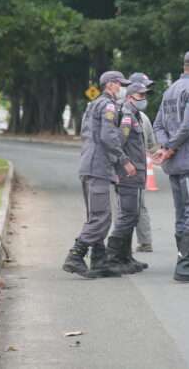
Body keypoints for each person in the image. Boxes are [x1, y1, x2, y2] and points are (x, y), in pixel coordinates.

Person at [62, 70, 133, 279]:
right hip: (98, 167)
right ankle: (76, 255)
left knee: (99, 215)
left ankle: (99, 260)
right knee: (101, 217)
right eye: (119, 84)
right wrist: (124, 159)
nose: (121, 88)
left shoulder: (94, 105)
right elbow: (108, 136)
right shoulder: (108, 105)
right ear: (110, 85)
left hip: (93, 166)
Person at [153, 49, 189, 283]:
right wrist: (171, 146)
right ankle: (187, 265)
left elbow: (158, 124)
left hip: (175, 164)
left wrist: (165, 145)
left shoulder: (170, 91)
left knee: (182, 213)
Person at [106, 82, 152, 274]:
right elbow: (118, 143)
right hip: (128, 174)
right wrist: (125, 162)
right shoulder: (126, 117)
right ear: (129, 97)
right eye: (140, 96)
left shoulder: (136, 117)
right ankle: (112, 256)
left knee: (132, 216)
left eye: (144, 96)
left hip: (137, 172)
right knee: (127, 216)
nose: (144, 99)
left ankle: (125, 257)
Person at [129, 72, 157, 253]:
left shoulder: (142, 117)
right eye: (142, 92)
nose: (144, 96)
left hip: (130, 171)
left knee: (127, 208)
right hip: (130, 169)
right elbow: (153, 147)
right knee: (137, 206)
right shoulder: (132, 115)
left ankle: (124, 246)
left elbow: (153, 146)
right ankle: (143, 241)